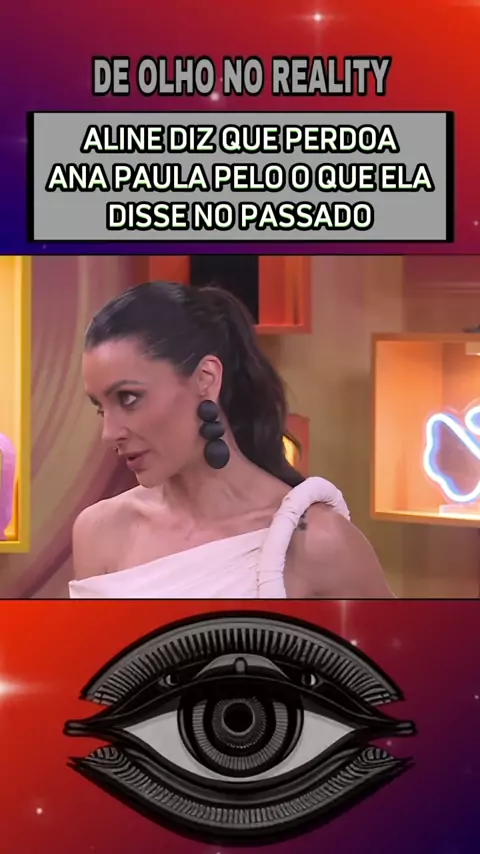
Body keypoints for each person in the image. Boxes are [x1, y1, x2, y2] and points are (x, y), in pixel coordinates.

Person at [69, 281, 392, 599]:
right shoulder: (99, 532)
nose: (109, 433)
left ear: (205, 378)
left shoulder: (315, 543)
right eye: (101, 407)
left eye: (128, 398)